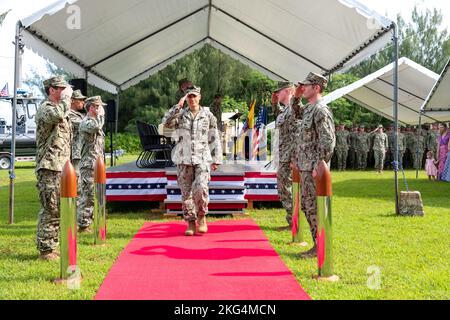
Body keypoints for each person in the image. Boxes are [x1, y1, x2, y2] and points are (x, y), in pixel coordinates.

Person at [162, 86, 222, 236]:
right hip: (184, 158)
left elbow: (214, 137)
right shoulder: (180, 115)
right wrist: (177, 107)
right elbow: (164, 127)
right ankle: (190, 222)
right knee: (186, 192)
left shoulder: (208, 115)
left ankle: (201, 217)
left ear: (200, 97)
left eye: (195, 96)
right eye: (189, 97)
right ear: (186, 98)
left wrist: (216, 159)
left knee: (201, 187)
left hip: (202, 158)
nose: (192, 99)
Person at [292, 72, 335, 258]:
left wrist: (320, 166)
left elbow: (328, 142)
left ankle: (321, 247)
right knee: (307, 206)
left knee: (314, 207)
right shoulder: (310, 108)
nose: (303, 89)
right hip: (305, 167)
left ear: (316, 88)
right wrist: (296, 97)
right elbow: (296, 113)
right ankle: (317, 244)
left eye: (307, 86)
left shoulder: (320, 110)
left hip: (314, 169)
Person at [35, 76, 73, 260]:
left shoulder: (62, 110)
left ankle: (52, 245)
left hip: (61, 167)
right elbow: (57, 115)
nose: (64, 92)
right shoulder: (46, 108)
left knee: (58, 207)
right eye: (61, 88)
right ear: (51, 90)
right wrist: (67, 99)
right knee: (50, 208)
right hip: (49, 167)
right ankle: (45, 250)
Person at [271, 82, 301, 227]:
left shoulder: (295, 110)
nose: (277, 94)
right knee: (283, 187)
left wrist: (294, 157)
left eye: (279, 91)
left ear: (289, 91)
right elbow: (279, 117)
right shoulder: (285, 111)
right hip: (282, 155)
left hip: (289, 157)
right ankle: (292, 220)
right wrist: (274, 104)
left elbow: (297, 135)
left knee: (287, 188)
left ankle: (295, 221)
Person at [78, 96, 106, 232]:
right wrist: (100, 116)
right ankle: (83, 224)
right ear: (91, 108)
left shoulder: (95, 121)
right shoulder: (87, 122)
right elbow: (95, 127)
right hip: (88, 164)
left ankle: (92, 219)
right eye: (98, 106)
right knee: (88, 194)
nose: (101, 109)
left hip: (97, 163)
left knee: (96, 193)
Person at [69, 90, 87, 176]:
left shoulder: (79, 115)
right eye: (80, 100)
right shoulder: (69, 114)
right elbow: (85, 126)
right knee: (76, 180)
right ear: (72, 100)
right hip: (74, 152)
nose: (83, 102)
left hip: (81, 151)